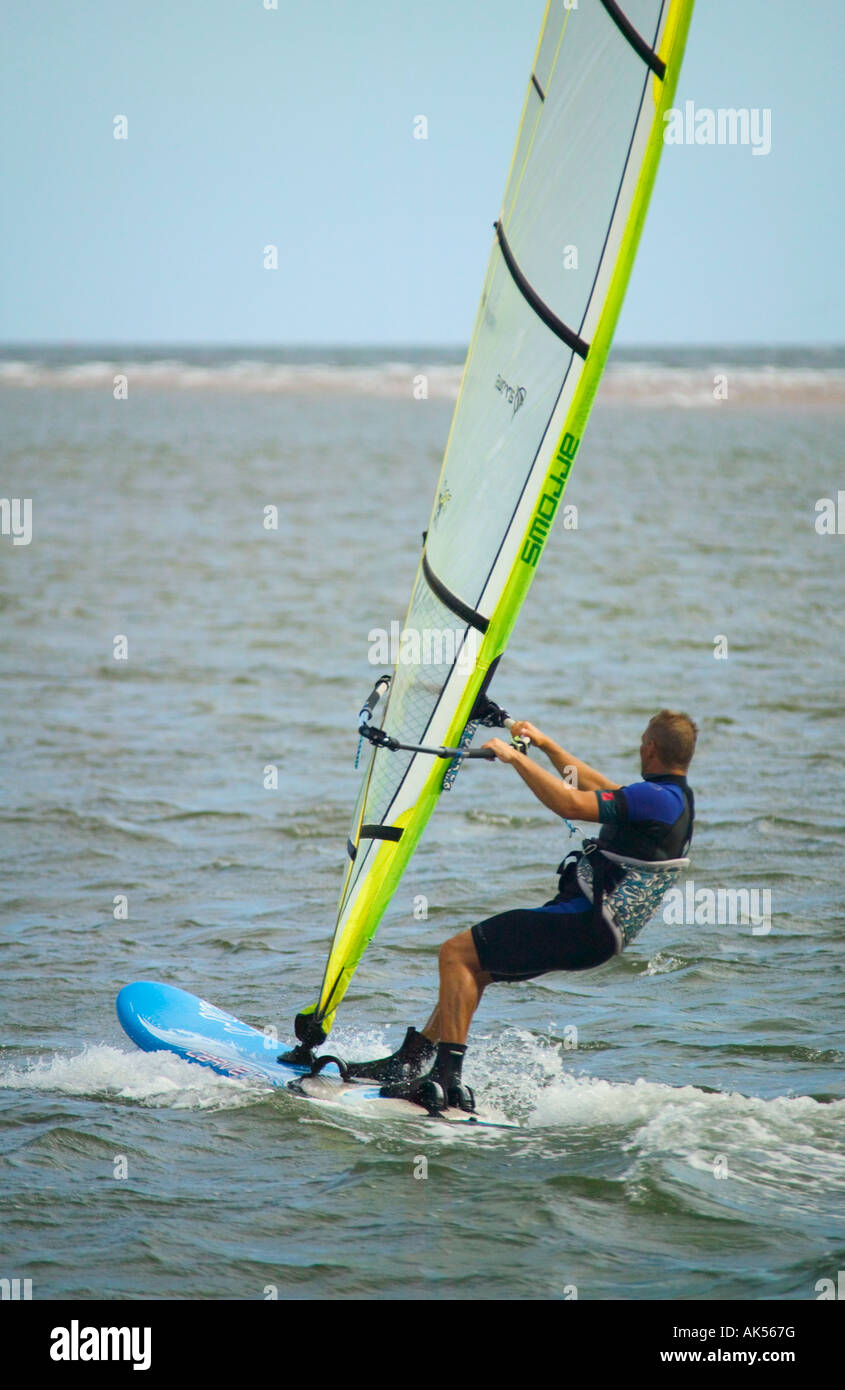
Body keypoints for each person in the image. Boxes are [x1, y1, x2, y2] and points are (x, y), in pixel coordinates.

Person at [347, 709, 696, 1113]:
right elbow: (593, 784)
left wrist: (518, 760)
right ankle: (413, 1059)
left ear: (649, 747)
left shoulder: (654, 798)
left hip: (583, 924)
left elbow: (569, 802)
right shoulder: (672, 800)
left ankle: (444, 1081)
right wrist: (545, 744)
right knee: (474, 969)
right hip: (594, 933)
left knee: (456, 954)